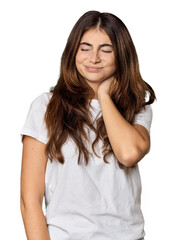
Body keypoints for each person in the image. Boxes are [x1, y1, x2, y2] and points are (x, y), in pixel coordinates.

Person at [20, 10, 156, 240]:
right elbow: (29, 200)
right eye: (85, 48)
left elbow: (129, 153)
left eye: (106, 49)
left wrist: (104, 95)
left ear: (121, 55)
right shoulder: (45, 106)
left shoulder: (137, 109)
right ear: (73, 51)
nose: (94, 58)